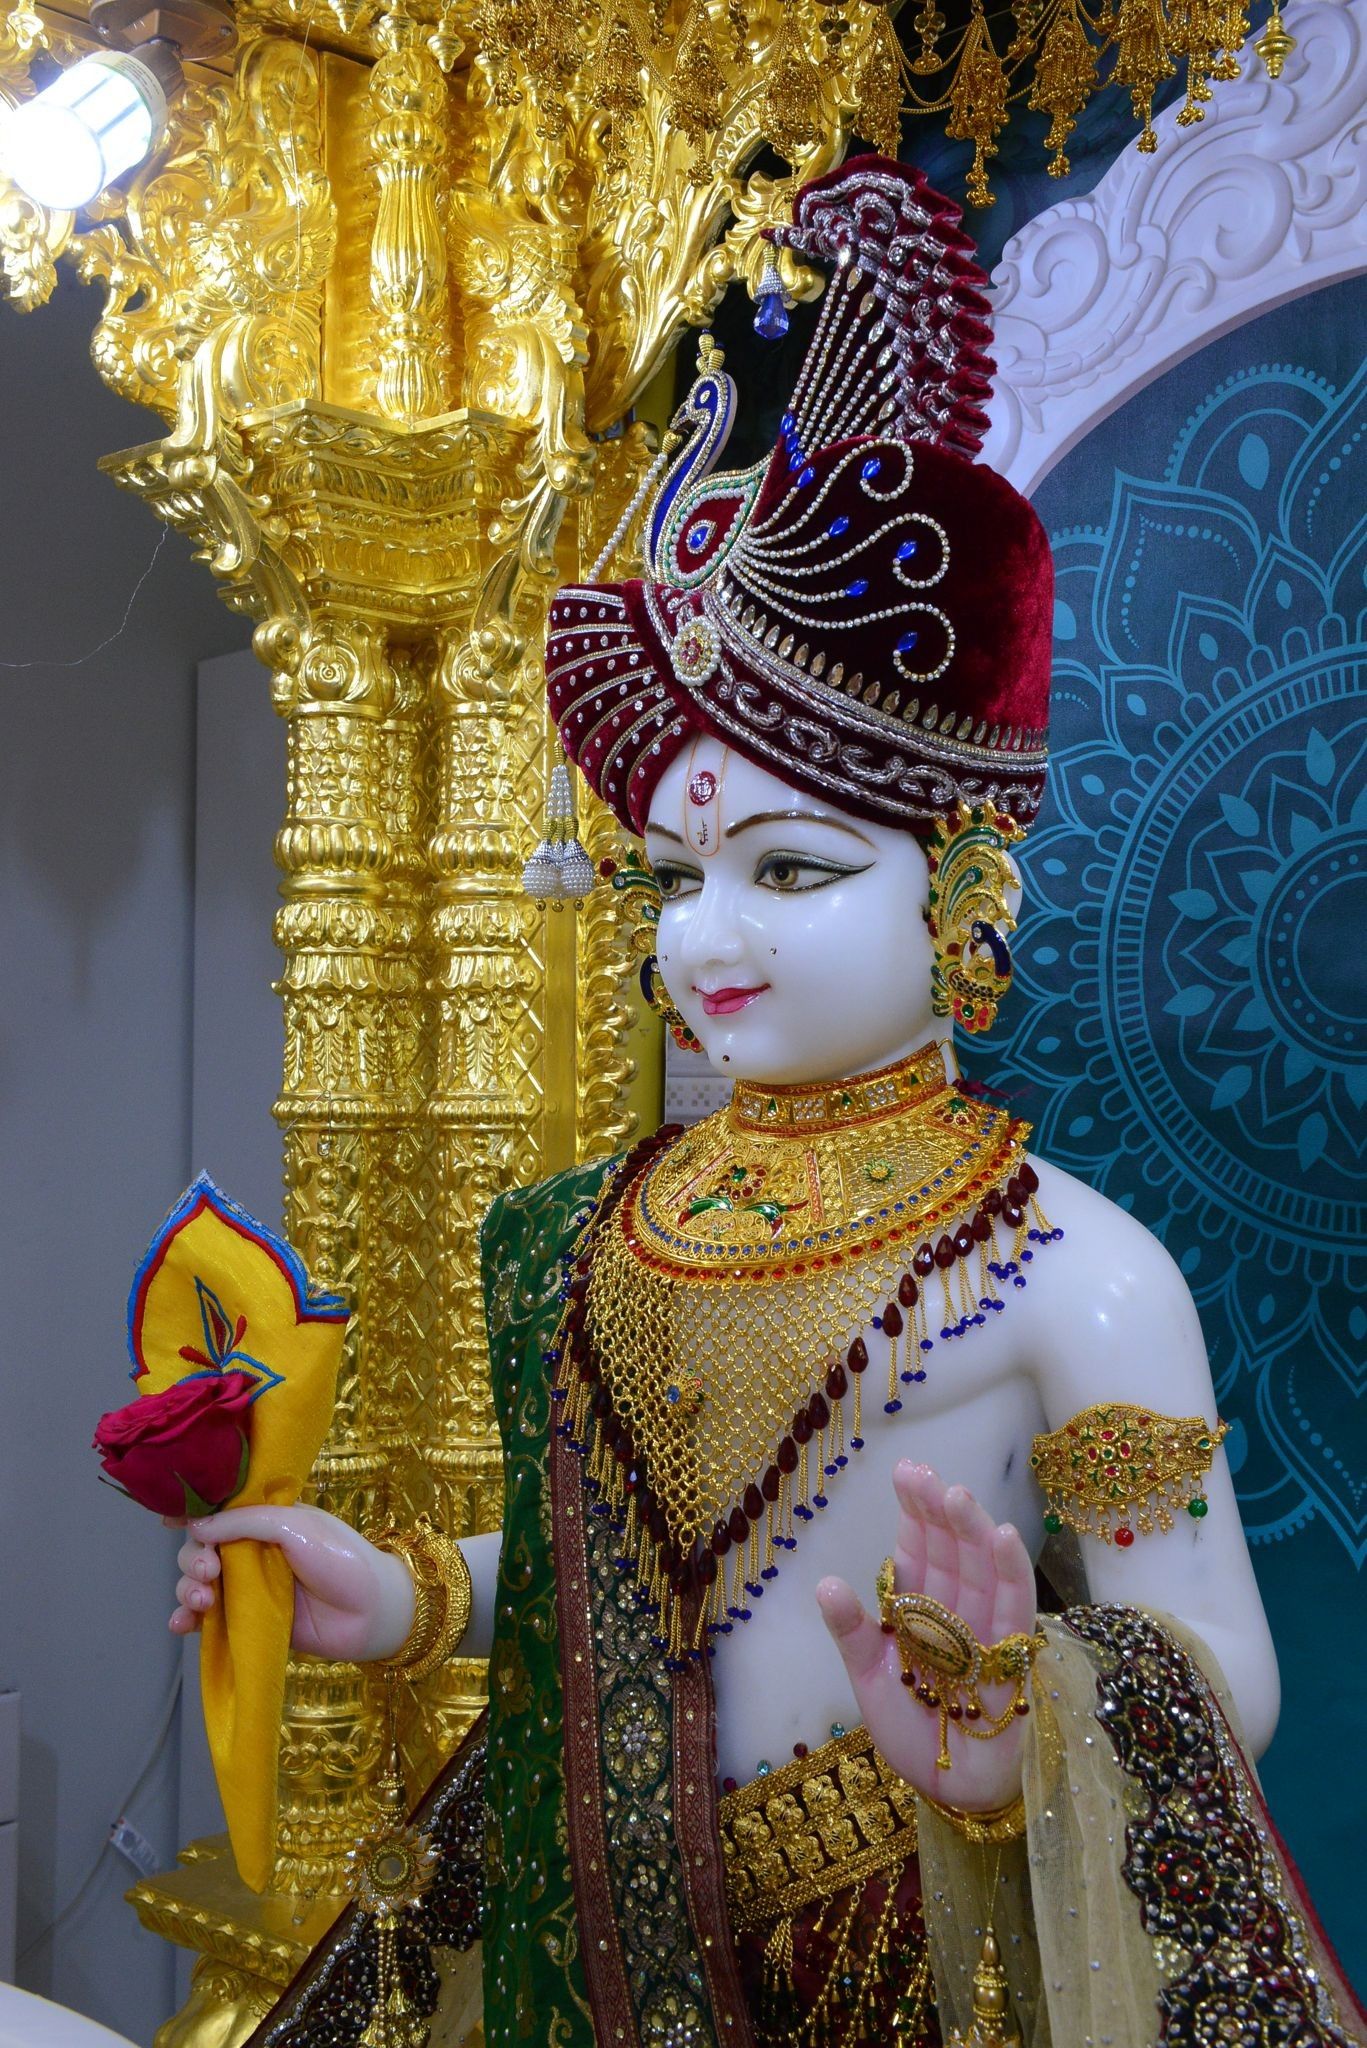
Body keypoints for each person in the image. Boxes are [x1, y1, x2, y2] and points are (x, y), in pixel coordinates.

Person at [174, 159, 1364, 2048]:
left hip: (909, 1936)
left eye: (792, 874)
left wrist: (1009, 1707)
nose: (709, 940)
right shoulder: (601, 1224)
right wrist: (402, 1595)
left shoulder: (1075, 1270)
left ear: (962, 885)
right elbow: (610, 1596)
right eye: (669, 883)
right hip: (596, 1919)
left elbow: (1222, 1660)